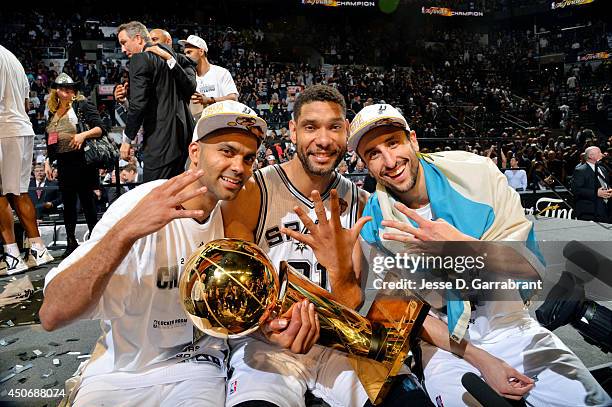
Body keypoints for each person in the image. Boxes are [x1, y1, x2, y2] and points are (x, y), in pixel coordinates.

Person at [39, 101, 318, 406]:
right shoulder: (140, 204)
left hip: (198, 369)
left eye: (248, 158)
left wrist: (268, 330)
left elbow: (239, 322)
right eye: (226, 151)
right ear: (195, 153)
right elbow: (52, 315)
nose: (239, 167)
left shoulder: (235, 224)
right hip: (118, 374)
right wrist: (127, 230)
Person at [348, 103, 611, 406]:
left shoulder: (477, 174)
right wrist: (481, 359)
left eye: (393, 143)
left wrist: (462, 246)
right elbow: (409, 314)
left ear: (413, 140)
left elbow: (531, 268)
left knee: (593, 403)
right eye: (373, 153)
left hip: (510, 324)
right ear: (365, 165)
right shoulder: (375, 225)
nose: (390, 161)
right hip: (448, 348)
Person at [117, 21, 196, 182]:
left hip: (160, 141)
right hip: (184, 137)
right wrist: (126, 99)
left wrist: (127, 140)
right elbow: (188, 88)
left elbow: (139, 105)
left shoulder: (140, 59)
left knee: (154, 194)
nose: (123, 50)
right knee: (177, 193)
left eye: (124, 43)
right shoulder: (178, 58)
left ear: (138, 38)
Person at [0, 44, 54, 275]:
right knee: (19, 192)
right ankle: (38, 249)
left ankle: (12, 255)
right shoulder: (13, 57)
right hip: (22, 128)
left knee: (1, 193)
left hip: (3, 129)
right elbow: (26, 104)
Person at [44, 73, 107, 258]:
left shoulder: (82, 105)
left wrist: (82, 135)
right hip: (64, 162)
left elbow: (101, 128)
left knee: (87, 202)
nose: (66, 92)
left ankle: (95, 240)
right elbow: (51, 141)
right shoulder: (53, 113)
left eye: (70, 88)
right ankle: (71, 241)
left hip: (83, 160)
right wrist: (48, 160)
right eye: (63, 89)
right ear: (57, 91)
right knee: (68, 204)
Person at [179, 35, 238, 121]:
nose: (186, 56)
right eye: (185, 53)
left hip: (220, 125)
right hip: (198, 128)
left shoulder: (221, 72)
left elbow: (233, 98)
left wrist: (209, 100)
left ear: (201, 51)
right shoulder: (188, 77)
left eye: (189, 52)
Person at [572, 146, 611, 223]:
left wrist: (609, 190)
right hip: (590, 211)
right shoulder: (581, 170)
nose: (602, 154)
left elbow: (605, 184)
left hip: (606, 210)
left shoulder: (602, 168)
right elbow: (576, 190)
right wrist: (596, 193)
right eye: (599, 153)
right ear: (590, 156)